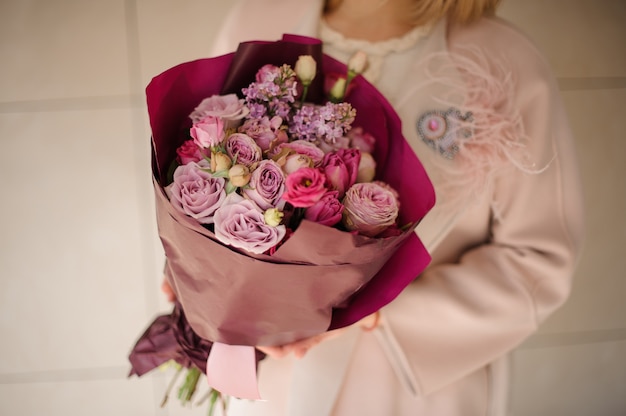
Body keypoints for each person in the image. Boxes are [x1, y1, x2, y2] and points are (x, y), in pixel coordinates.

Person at [166, 0, 585, 414]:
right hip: (268, 382)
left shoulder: (504, 60)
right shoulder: (257, 19)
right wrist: (193, 274)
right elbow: (199, 158)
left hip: (410, 384)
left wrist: (379, 313)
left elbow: (539, 260)